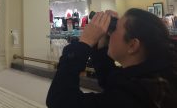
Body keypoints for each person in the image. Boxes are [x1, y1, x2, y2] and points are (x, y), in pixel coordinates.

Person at [46, 8, 177, 108]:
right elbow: (114, 80)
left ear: (132, 45)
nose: (109, 33)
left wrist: (84, 43)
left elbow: (59, 100)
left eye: (114, 29)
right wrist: (102, 45)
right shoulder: (160, 74)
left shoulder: (138, 96)